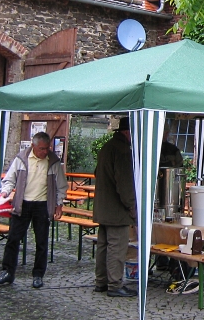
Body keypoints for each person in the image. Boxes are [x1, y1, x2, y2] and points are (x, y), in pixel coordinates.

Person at [0, 132, 68, 288]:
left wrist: (59, 204)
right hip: (22, 204)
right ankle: (8, 272)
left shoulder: (53, 162)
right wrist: (6, 191)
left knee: (41, 242)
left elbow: (61, 186)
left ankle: (38, 275)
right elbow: (9, 179)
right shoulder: (21, 159)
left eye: (47, 148)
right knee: (13, 239)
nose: (45, 151)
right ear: (33, 146)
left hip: (42, 205)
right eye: (41, 148)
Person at [93, 116, 138, 298]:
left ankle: (101, 281)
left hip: (103, 207)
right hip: (116, 210)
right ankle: (114, 284)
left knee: (103, 246)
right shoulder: (122, 151)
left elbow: (97, 173)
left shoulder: (107, 147)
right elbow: (125, 185)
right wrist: (133, 209)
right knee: (117, 248)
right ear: (128, 133)